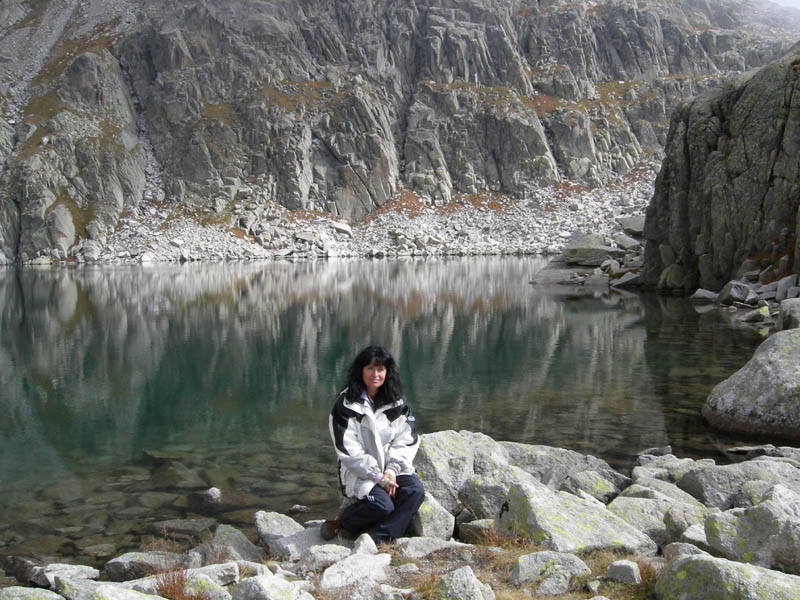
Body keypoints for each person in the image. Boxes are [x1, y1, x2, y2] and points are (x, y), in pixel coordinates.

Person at [321, 345, 424, 544]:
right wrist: (377, 476)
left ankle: (380, 539)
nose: (375, 374)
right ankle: (342, 523)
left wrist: (392, 470)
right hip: (359, 470)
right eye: (370, 368)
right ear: (361, 371)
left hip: (390, 467)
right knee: (381, 505)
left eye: (380, 369)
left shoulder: (397, 403)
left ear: (387, 372)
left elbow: (407, 439)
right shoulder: (346, 405)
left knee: (415, 491)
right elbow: (347, 450)